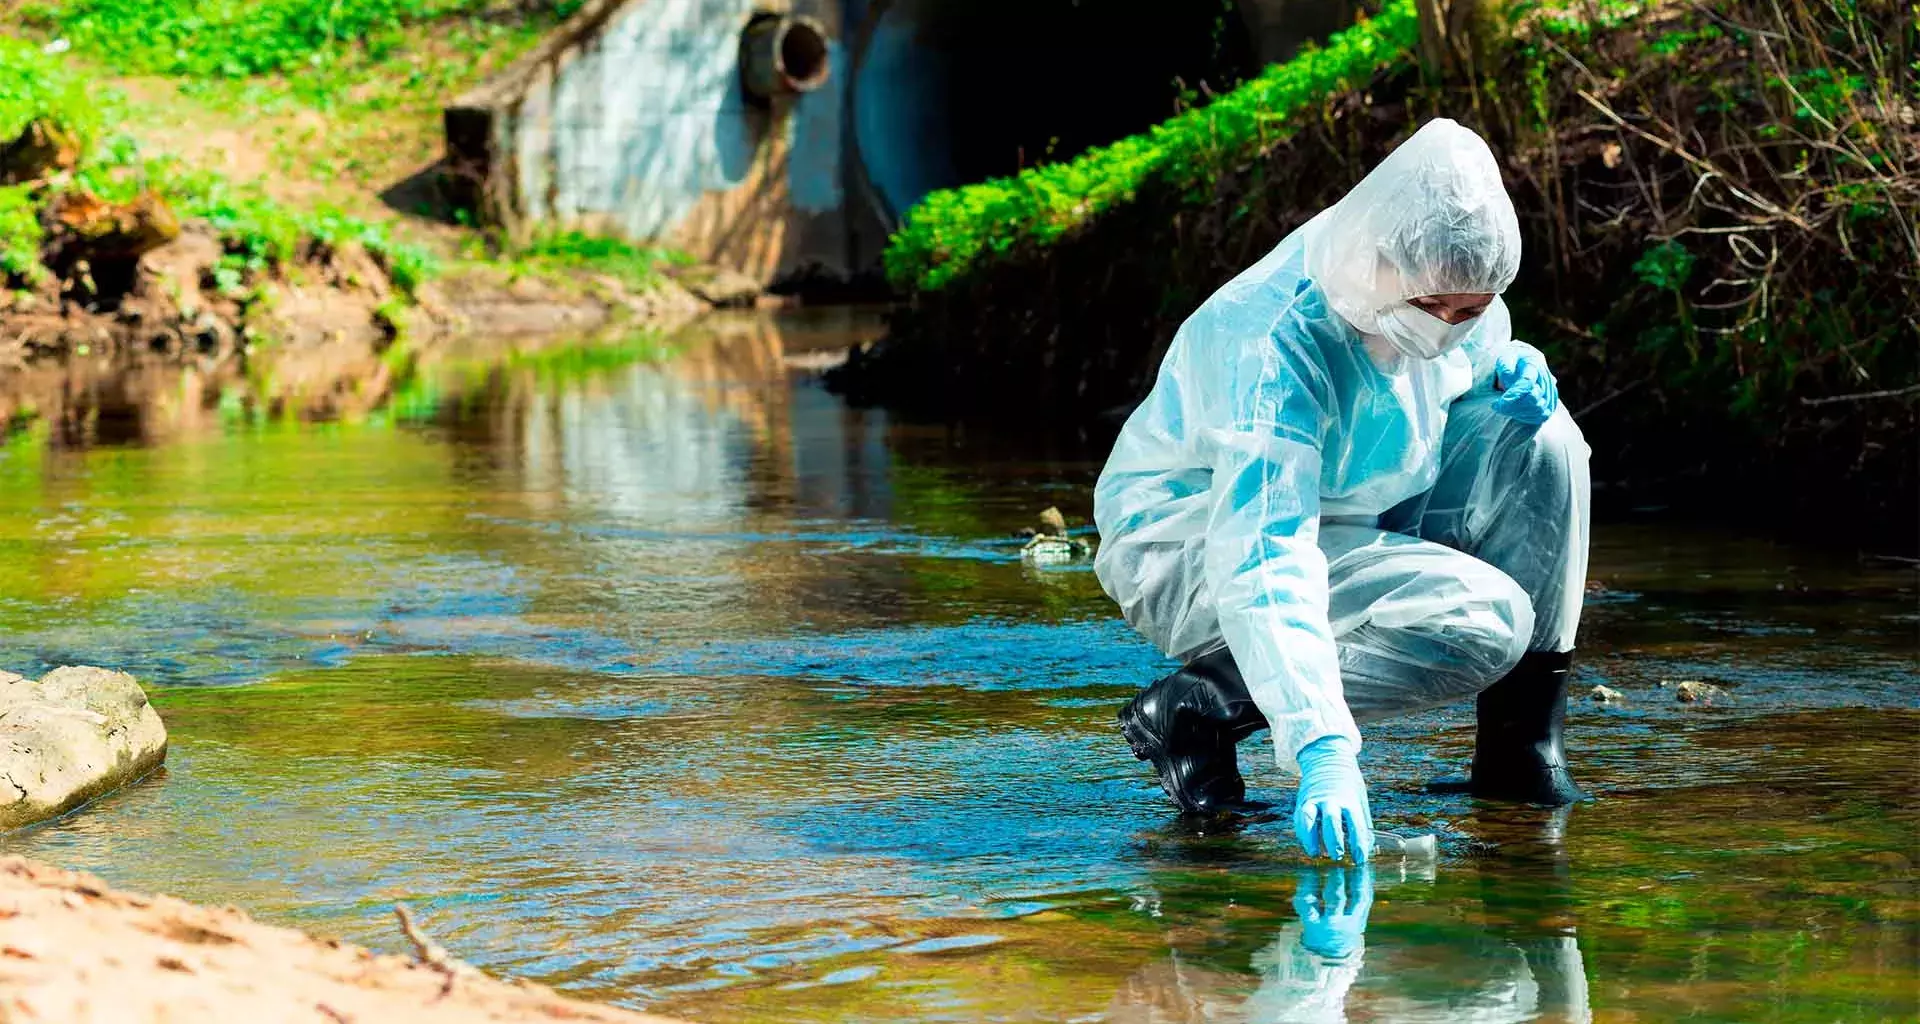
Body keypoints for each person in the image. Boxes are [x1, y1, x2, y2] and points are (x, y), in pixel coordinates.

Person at [1093, 117, 1591, 863]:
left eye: (1475, 311)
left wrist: (1512, 362)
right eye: (1438, 311)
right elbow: (1265, 549)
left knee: (1546, 439)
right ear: (1388, 269)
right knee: (1486, 623)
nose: (1455, 328)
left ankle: (1521, 748)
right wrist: (1322, 746)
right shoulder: (1275, 341)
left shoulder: (1443, 277)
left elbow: (1459, 360)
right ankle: (1205, 705)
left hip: (1361, 505)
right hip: (1192, 542)